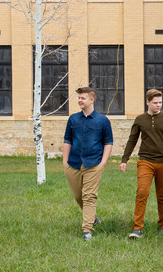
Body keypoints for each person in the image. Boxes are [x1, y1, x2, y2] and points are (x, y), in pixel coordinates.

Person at [120, 88, 163, 238]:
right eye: (155, 103)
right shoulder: (140, 119)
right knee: (142, 192)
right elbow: (132, 140)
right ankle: (137, 228)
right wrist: (124, 160)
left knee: (162, 195)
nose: (158, 105)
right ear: (147, 102)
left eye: (160, 102)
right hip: (145, 161)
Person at [62, 87, 113, 241]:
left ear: (92, 100)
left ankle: (87, 231)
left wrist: (103, 163)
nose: (79, 100)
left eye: (83, 98)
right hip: (74, 163)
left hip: (94, 163)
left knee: (89, 196)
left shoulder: (102, 121)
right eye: (79, 98)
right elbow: (67, 140)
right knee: (78, 196)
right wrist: (65, 163)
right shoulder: (73, 119)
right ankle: (93, 218)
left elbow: (108, 143)